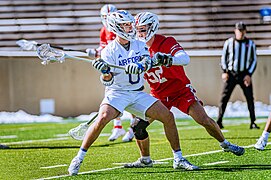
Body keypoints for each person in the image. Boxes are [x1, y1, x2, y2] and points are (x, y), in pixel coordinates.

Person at [68, 10, 198, 176]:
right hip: (118, 93)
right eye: (126, 25)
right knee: (102, 119)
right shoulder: (109, 51)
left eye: (130, 24)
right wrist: (105, 73)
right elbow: (108, 81)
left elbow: (146, 60)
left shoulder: (139, 43)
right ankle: (79, 158)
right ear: (116, 27)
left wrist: (141, 66)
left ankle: (178, 158)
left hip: (137, 94)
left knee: (168, 117)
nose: (130, 28)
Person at [124, 12, 245, 168]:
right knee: (137, 126)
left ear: (152, 27)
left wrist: (167, 59)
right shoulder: (136, 48)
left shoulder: (166, 42)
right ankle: (145, 159)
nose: (139, 34)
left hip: (180, 90)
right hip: (158, 94)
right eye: (137, 30)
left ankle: (224, 143)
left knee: (203, 119)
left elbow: (185, 59)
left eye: (142, 29)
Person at [86, 4, 134, 142]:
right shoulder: (104, 30)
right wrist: (96, 51)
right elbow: (104, 47)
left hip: (125, 67)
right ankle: (118, 127)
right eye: (105, 17)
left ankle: (133, 127)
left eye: (109, 17)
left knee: (131, 96)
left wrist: (97, 52)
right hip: (113, 67)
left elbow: (118, 48)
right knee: (111, 96)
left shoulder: (121, 29)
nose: (107, 20)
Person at [217, 21, 258, 129]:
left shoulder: (250, 44)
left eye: (242, 30)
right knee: (224, 98)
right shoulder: (229, 43)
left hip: (244, 74)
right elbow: (223, 58)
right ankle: (219, 121)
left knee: (250, 98)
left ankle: (253, 122)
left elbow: (254, 60)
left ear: (245, 31)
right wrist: (225, 71)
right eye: (239, 30)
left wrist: (249, 74)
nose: (240, 32)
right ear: (235, 31)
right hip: (231, 74)